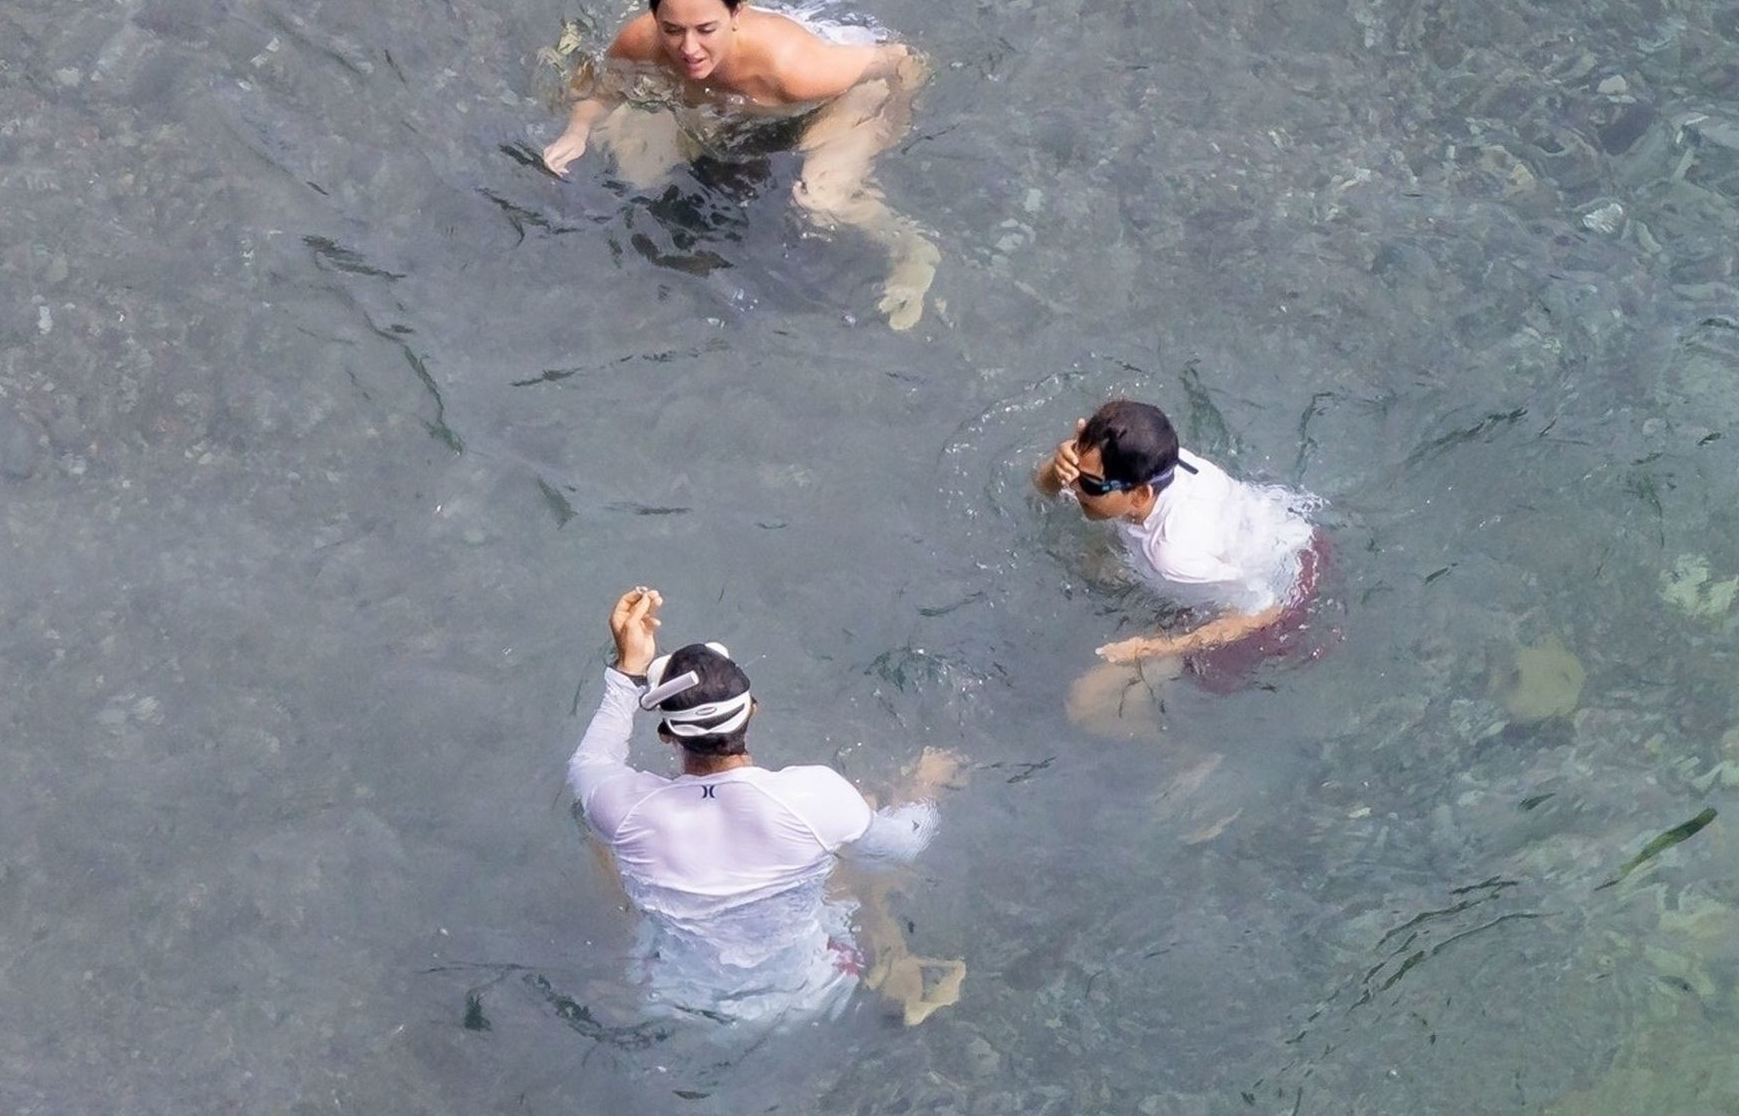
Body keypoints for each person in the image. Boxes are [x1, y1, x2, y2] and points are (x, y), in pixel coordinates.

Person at [566, 587, 965, 1026]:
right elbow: (902, 846)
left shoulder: (625, 808)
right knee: (860, 831)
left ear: (667, 735)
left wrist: (628, 670)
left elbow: (590, 761)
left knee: (600, 838)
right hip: (813, 994)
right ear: (753, 710)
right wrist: (924, 788)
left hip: (673, 1002)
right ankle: (898, 977)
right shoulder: (815, 796)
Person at [540, 0, 941, 330]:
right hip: (734, 105)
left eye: (705, 29)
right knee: (634, 159)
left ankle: (912, 249)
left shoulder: (793, 69)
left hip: (846, 96)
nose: (689, 48)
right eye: (672, 29)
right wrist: (576, 132)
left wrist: (891, 123)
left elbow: (904, 61)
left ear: (736, 13)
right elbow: (603, 89)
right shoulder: (643, 39)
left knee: (820, 200)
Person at [1032, 399, 1328, 723]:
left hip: (1291, 598)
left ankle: (1186, 751)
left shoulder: (1172, 554)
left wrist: (1149, 648)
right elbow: (1043, 489)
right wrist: (1059, 465)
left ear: (1140, 495)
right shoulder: (1152, 459)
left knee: (1086, 704)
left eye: (1087, 482)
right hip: (1283, 537)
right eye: (1074, 467)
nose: (1073, 484)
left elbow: (1265, 610)